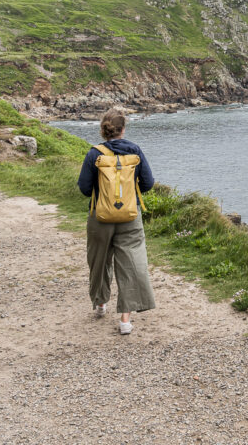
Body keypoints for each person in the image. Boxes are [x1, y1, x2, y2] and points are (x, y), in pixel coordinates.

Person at [77, 107, 156, 334]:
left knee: (99, 260)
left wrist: (104, 198)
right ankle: (124, 321)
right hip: (130, 215)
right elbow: (148, 183)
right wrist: (129, 195)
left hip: (100, 217)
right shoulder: (135, 150)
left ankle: (101, 304)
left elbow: (84, 188)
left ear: (104, 130)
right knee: (131, 262)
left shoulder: (94, 154)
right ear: (123, 129)